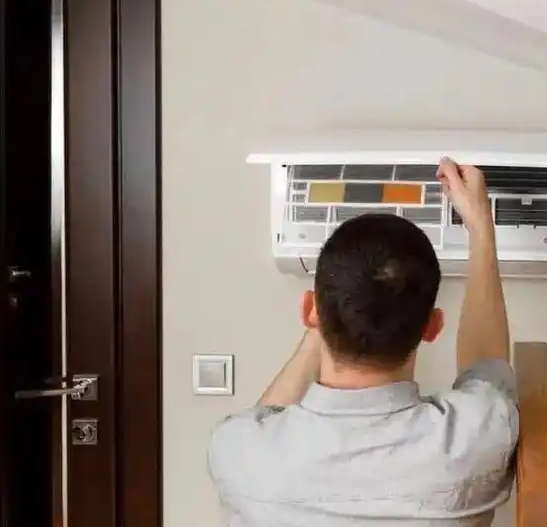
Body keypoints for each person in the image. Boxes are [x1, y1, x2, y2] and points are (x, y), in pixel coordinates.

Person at [208, 158, 517, 527]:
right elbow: (486, 370)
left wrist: (329, 315)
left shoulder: (236, 451)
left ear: (308, 310)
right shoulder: (476, 439)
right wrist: (480, 227)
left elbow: (265, 422)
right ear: (433, 327)